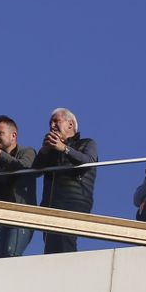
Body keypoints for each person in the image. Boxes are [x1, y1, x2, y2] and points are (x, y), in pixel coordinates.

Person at [36, 108, 99, 253]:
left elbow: (88, 162)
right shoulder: (51, 150)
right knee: (50, 244)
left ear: (70, 125)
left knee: (65, 241)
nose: (51, 126)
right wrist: (44, 151)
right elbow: (35, 171)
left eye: (56, 121)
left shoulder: (87, 143)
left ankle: (66, 272)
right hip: (50, 203)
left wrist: (64, 148)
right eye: (50, 123)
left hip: (74, 201)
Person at [0, 114, 37, 257]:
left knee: (11, 254)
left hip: (21, 215)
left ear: (13, 135)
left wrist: (0, 155)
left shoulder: (27, 151)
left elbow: (24, 167)